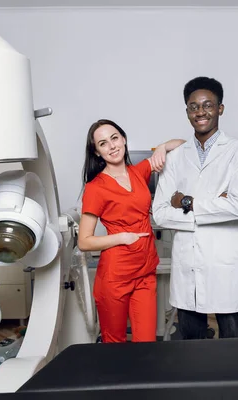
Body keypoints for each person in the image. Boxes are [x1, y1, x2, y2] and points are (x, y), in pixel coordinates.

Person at [152, 76, 238, 339]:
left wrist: (187, 203)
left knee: (235, 342)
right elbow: (161, 213)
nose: (201, 112)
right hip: (188, 262)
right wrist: (214, 207)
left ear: (220, 108)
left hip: (223, 260)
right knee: (191, 344)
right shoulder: (176, 157)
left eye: (208, 105)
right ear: (187, 112)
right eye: (193, 106)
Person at [77, 119, 184, 343]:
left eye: (115, 138)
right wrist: (121, 237)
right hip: (115, 277)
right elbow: (84, 242)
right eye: (103, 143)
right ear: (97, 152)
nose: (112, 146)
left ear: (124, 140)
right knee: (114, 343)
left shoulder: (139, 171)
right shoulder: (96, 188)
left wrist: (162, 147)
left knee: (146, 344)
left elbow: (183, 144)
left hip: (145, 273)